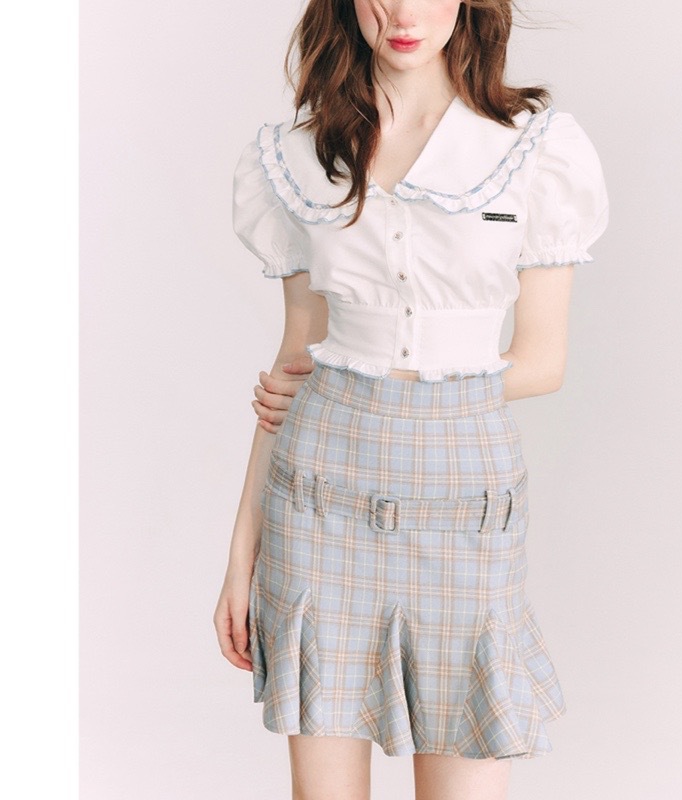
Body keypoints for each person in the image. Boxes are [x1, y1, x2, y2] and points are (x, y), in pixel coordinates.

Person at [213, 1, 609, 798]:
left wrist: (394, 379)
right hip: (318, 500)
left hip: (463, 497)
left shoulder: (532, 149)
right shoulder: (298, 155)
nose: (402, 12)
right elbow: (294, 367)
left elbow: (542, 361)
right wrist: (240, 553)